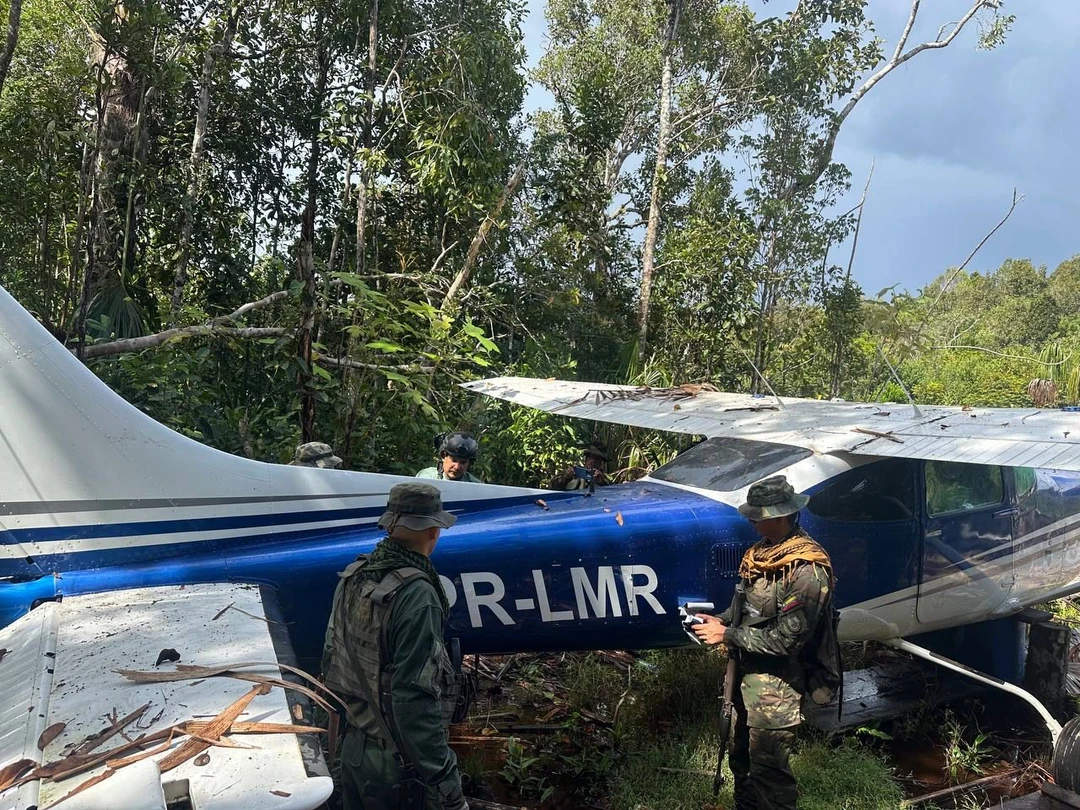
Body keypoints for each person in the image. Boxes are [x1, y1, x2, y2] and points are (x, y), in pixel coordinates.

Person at [692, 475, 838, 810]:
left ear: (780, 515)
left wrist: (727, 635)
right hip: (745, 682)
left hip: (777, 692)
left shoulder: (806, 570)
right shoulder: (761, 553)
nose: (751, 519)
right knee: (740, 764)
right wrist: (722, 620)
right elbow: (747, 607)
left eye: (758, 514)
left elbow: (788, 640)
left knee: (771, 777)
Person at [321, 482, 468, 810]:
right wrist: (446, 780)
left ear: (390, 525)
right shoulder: (418, 596)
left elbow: (331, 659)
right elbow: (413, 701)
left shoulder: (354, 576)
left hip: (354, 752)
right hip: (398, 766)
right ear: (433, 531)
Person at [416, 432, 483, 483]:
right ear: (443, 456)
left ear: (469, 463)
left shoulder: (476, 486)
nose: (457, 467)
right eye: (454, 460)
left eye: (463, 462)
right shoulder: (426, 477)